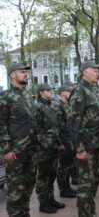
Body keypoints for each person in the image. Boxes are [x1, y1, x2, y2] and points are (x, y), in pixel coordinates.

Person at [68, 61, 99, 217]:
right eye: (95, 70)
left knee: (93, 184)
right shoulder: (79, 91)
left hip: (96, 145)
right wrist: (79, 149)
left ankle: (91, 213)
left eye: (98, 70)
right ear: (84, 72)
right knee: (85, 186)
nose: (98, 73)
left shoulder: (92, 91)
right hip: (86, 147)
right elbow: (73, 121)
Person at [0, 64, 38, 217]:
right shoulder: (5, 97)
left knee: (29, 185)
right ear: (12, 76)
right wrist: (6, 149)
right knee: (16, 189)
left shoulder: (28, 95)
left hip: (31, 149)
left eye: (26, 72)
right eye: (22, 72)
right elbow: (1, 124)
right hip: (15, 151)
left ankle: (24, 213)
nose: (26, 75)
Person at [36, 83, 65, 213]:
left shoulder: (49, 106)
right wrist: (44, 142)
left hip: (53, 146)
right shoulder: (38, 107)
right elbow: (36, 129)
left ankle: (50, 199)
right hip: (44, 148)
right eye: (47, 90)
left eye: (50, 90)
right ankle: (43, 203)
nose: (50, 92)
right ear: (41, 92)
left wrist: (59, 143)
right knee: (43, 176)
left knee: (51, 175)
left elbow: (55, 128)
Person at [55, 85, 77, 199]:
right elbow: (57, 126)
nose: (71, 93)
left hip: (69, 139)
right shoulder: (58, 106)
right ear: (63, 93)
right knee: (63, 167)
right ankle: (63, 189)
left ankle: (67, 187)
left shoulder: (67, 105)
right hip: (64, 140)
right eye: (69, 91)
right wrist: (60, 143)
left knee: (68, 166)